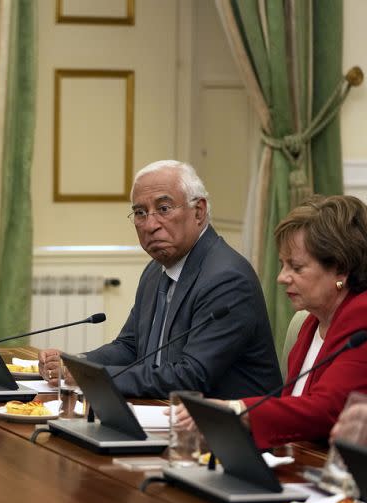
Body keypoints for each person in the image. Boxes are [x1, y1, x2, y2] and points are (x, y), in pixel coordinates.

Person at [38, 160, 281, 398]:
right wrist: (78, 364)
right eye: (140, 213)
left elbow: (191, 376)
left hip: (226, 432)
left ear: (199, 211)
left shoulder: (227, 279)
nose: (150, 224)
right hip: (164, 414)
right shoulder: (155, 271)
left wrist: (92, 377)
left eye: (163, 209)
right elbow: (130, 347)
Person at [180, 195, 367, 448]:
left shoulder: (361, 316)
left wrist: (236, 409)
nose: (281, 277)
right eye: (282, 265)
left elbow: (326, 409)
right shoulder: (311, 323)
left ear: (341, 270)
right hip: (299, 463)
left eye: (296, 267)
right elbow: (292, 405)